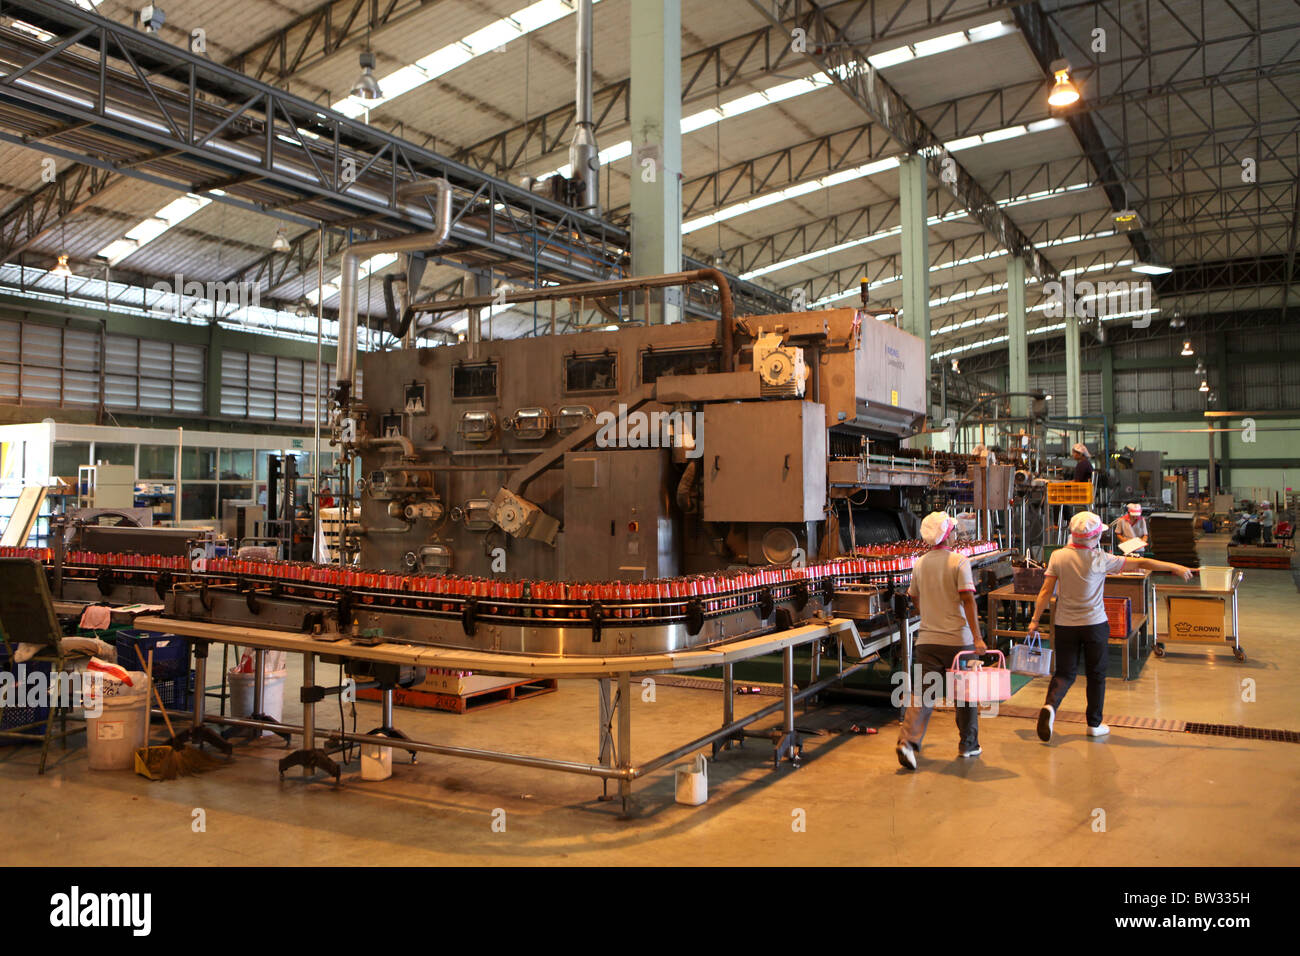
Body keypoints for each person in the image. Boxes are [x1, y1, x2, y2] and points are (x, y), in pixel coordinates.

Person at [1027, 511, 1193, 741]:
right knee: (1096, 674)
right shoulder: (1101, 559)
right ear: (1094, 538)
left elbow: (1046, 591)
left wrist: (1035, 620)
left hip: (1065, 624)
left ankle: (1050, 707)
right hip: (1094, 624)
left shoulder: (1057, 556)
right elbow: (1142, 562)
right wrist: (1174, 566)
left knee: (1065, 673)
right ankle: (1094, 724)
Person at [896, 512, 987, 771]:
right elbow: (968, 600)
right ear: (948, 534)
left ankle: (908, 742)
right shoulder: (959, 562)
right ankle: (968, 744)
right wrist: (978, 638)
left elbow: (914, 597)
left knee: (923, 694)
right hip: (959, 641)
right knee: (965, 696)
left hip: (927, 639)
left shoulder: (920, 563)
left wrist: (929, 615)